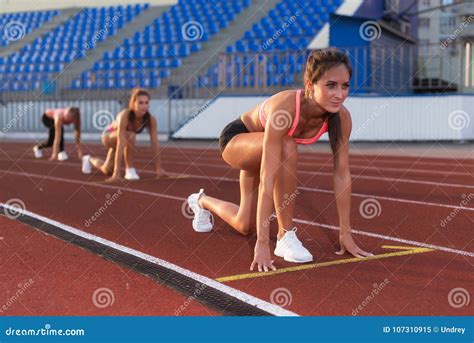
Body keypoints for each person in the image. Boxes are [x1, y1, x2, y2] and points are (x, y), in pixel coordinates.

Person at [186, 48, 373, 272]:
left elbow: (342, 173)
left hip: (267, 151)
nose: (340, 94)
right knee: (287, 144)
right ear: (310, 84)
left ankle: (200, 201)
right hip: (238, 142)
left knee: (245, 225)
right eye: (331, 85)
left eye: (345, 86)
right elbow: (268, 179)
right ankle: (286, 236)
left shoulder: (342, 117)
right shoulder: (286, 109)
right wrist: (262, 243)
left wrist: (346, 234)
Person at [81, 88, 166, 182]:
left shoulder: (151, 119)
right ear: (133, 104)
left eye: (146, 103)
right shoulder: (125, 115)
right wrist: (116, 173)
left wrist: (159, 169)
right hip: (109, 136)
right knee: (130, 135)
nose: (144, 106)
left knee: (107, 169)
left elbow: (155, 144)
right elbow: (121, 142)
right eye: (140, 103)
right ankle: (130, 170)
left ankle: (88, 159)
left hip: (124, 139)